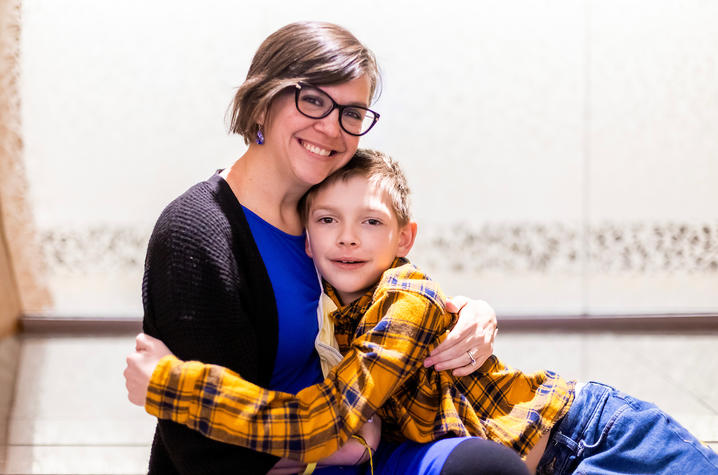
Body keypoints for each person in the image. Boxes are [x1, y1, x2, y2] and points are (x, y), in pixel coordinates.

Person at [127, 149, 718, 475]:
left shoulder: (405, 300)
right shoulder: (323, 298)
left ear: (405, 237)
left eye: (371, 223)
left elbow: (318, 422)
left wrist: (172, 384)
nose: (347, 239)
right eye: (327, 220)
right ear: (304, 238)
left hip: (591, 437)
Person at [139, 21, 510, 475]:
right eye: (312, 100)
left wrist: (467, 314)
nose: (332, 128)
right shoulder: (195, 235)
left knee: (488, 465)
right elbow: (208, 452)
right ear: (261, 102)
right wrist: (344, 447)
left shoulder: (328, 208)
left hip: (370, 442)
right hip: (307, 451)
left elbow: (394, 298)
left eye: (351, 113)